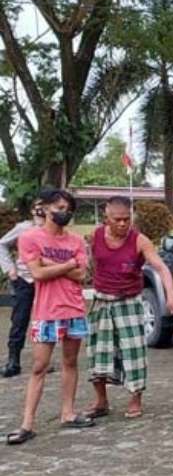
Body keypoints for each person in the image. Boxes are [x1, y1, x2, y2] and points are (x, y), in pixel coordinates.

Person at [6, 189, 93, 445]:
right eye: (58, 207)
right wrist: (67, 266)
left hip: (74, 308)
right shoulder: (29, 238)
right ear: (43, 208)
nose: (62, 212)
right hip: (46, 310)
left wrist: (52, 265)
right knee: (38, 366)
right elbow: (37, 274)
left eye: (67, 208)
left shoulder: (76, 241)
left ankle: (68, 412)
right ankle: (27, 423)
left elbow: (81, 275)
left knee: (70, 362)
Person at [84, 197, 173, 419]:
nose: (122, 224)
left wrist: (171, 296)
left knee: (133, 351)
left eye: (126, 219)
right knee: (97, 351)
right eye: (117, 220)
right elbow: (88, 264)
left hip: (128, 301)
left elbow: (161, 268)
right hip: (101, 301)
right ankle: (101, 401)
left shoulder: (140, 241)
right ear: (106, 218)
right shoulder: (96, 236)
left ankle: (135, 398)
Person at [0, 199, 45, 378]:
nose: (41, 211)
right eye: (37, 207)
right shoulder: (24, 228)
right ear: (32, 210)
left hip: (45, 279)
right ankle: (13, 360)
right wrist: (9, 268)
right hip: (24, 279)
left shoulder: (54, 230)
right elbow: (2, 244)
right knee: (19, 319)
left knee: (43, 321)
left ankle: (42, 359)